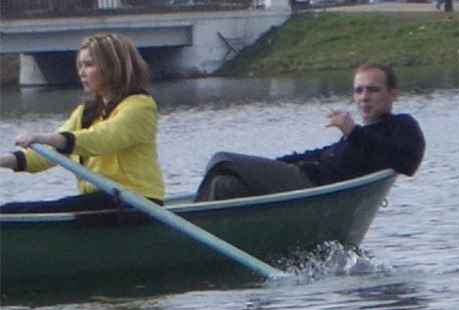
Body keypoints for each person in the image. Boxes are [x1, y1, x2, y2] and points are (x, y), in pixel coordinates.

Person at [195, 64, 425, 202]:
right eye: (359, 91)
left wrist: (353, 132)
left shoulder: (401, 125)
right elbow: (319, 154)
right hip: (303, 179)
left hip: (314, 190)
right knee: (223, 184)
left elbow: (406, 162)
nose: (364, 97)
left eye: (373, 90)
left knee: (221, 159)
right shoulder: (361, 136)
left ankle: (193, 229)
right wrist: (268, 166)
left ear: (392, 95)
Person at [0, 33, 165, 213]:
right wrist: (4, 160)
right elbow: (49, 153)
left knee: (12, 211)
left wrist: (43, 137)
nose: (81, 73)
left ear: (112, 66)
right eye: (80, 66)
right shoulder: (86, 112)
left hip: (137, 202)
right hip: (100, 201)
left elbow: (101, 139)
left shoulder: (140, 106)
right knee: (10, 209)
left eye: (89, 65)